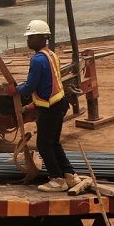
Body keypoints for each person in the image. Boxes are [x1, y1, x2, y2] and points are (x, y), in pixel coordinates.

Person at [5, 19, 82, 193]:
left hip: (51, 109)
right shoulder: (52, 55)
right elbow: (48, 86)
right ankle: (70, 174)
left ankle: (57, 179)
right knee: (53, 142)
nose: (28, 40)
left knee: (44, 145)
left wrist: (15, 90)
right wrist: (32, 106)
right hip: (58, 104)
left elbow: (30, 87)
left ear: (41, 38)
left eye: (31, 37)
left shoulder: (37, 60)